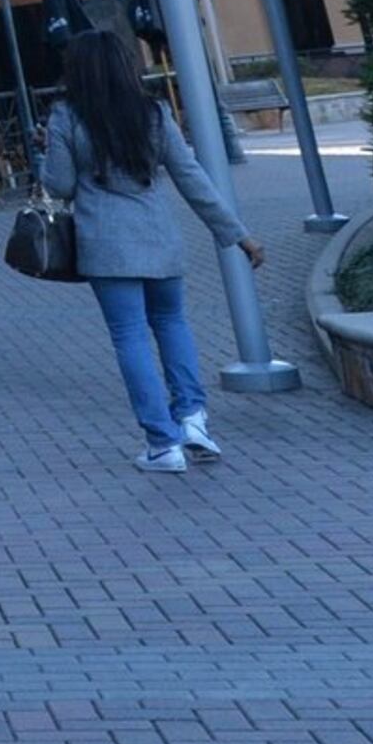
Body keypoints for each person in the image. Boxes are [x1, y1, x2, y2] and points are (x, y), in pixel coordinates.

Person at [41, 28, 262, 470]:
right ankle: (193, 420)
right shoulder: (154, 114)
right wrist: (238, 234)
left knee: (130, 337)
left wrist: (47, 156)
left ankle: (163, 443)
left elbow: (59, 185)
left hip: (105, 245)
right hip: (160, 240)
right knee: (173, 324)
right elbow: (192, 178)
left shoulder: (66, 117)